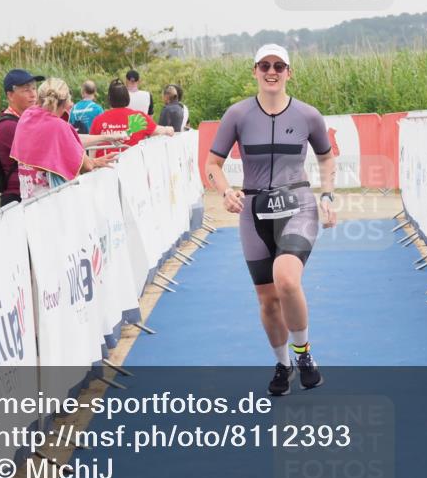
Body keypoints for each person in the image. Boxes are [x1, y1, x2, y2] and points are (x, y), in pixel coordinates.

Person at [203, 44, 338, 396]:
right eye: (265, 65)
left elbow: (326, 158)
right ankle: (283, 364)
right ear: (255, 71)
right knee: (267, 300)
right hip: (253, 212)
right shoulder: (237, 114)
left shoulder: (308, 116)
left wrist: (327, 195)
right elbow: (212, 164)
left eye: (279, 65)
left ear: (289, 72)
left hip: (299, 205)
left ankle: (304, 353)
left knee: (286, 279)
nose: (272, 71)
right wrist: (226, 191)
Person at [10, 78, 116, 199]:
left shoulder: (28, 116)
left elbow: (69, 140)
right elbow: (87, 165)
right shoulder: (58, 126)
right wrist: (95, 162)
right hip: (53, 200)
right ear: (66, 102)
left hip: (28, 200)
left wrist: (106, 137)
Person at [0, 69, 44, 206]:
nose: (33, 94)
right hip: (16, 198)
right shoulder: (8, 126)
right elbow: (46, 150)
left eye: (34, 88)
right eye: (26, 90)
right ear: (10, 95)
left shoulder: (26, 120)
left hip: (30, 194)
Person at [90, 79, 174, 155]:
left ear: (109, 99)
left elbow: (92, 148)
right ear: (127, 97)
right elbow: (159, 131)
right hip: (133, 166)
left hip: (104, 168)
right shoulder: (138, 117)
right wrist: (169, 129)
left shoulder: (98, 120)